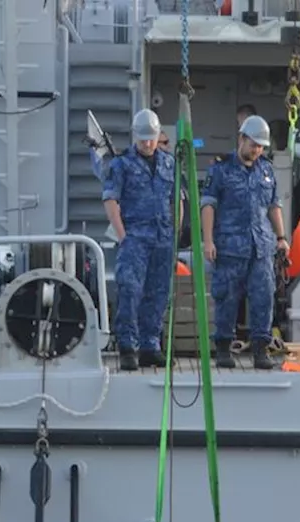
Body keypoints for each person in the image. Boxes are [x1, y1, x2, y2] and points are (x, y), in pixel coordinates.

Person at [201, 114, 288, 371]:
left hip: (261, 247)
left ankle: (261, 349)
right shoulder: (221, 169)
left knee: (263, 298)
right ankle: (224, 348)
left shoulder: (266, 170)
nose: (257, 150)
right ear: (241, 139)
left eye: (261, 146)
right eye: (254, 145)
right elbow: (208, 206)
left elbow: (274, 206)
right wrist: (208, 241)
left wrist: (281, 238)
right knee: (227, 298)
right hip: (230, 247)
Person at [103, 109, 178, 371]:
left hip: (163, 238)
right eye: (143, 138)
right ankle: (127, 346)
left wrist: (175, 231)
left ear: (159, 136)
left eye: (152, 138)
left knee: (158, 293)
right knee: (130, 291)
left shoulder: (169, 163)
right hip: (134, 237)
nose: (148, 143)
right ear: (135, 136)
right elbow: (110, 199)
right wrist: (123, 236)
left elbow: (176, 198)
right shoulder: (121, 164)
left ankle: (150, 345)